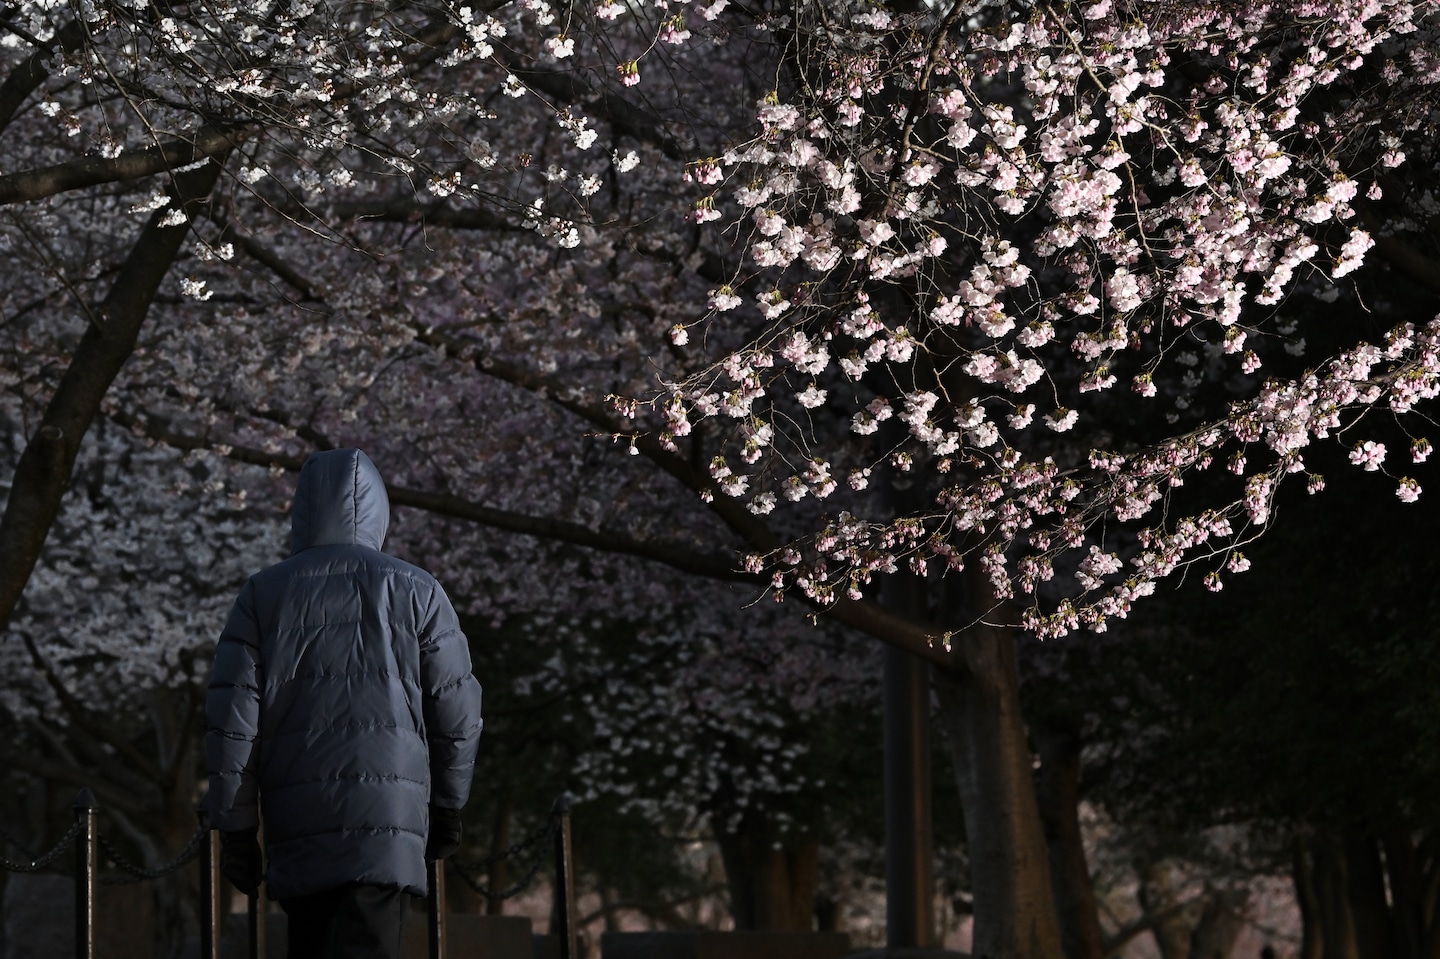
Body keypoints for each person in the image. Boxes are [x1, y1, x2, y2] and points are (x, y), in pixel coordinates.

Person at [205, 448, 484, 958]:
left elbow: (233, 725)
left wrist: (238, 830)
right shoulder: (418, 589)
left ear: (304, 511)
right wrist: (448, 805)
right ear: (379, 510)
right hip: (389, 814)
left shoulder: (263, 595)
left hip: (299, 816)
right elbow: (457, 712)